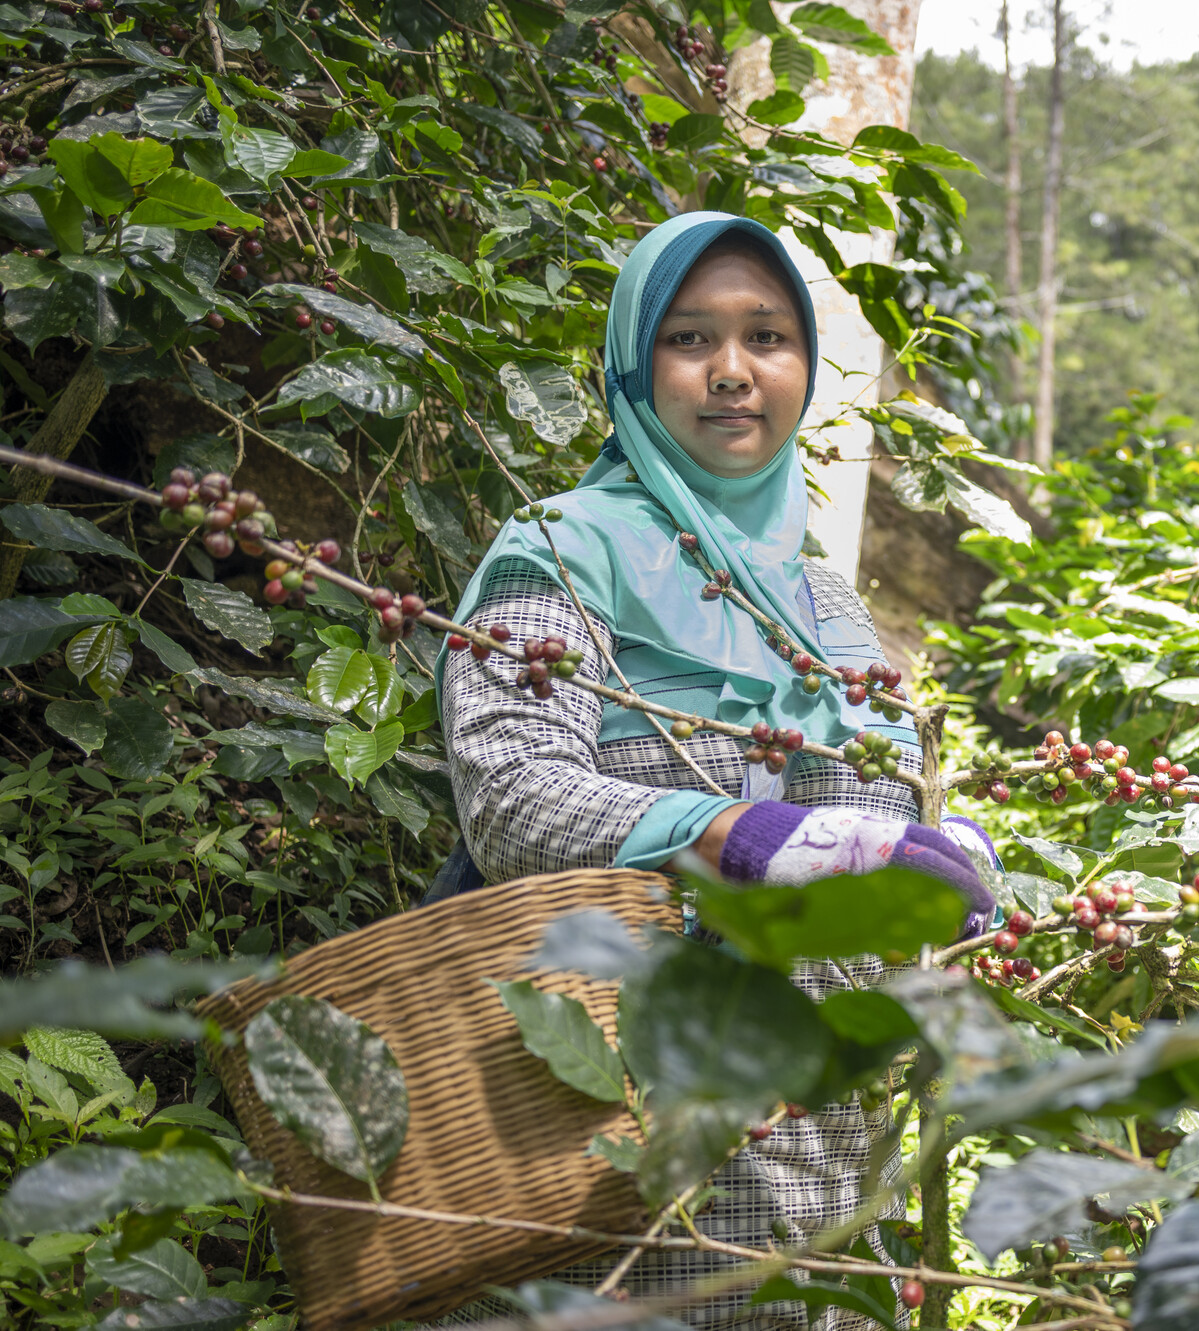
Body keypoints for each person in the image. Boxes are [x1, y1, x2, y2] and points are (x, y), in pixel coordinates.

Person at [430, 212, 998, 1327]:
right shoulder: (558, 548)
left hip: (825, 1184)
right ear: (634, 365)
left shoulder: (828, 609)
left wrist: (953, 860)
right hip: (613, 1166)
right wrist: (726, 833)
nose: (732, 372)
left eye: (766, 337)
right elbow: (510, 794)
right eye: (689, 338)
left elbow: (880, 830)